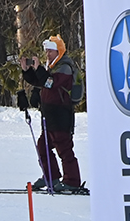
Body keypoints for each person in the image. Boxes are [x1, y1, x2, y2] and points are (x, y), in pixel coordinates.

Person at [19, 35, 83, 194]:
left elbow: (50, 83)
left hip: (61, 114)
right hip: (49, 115)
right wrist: (28, 71)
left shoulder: (64, 67)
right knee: (43, 146)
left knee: (64, 148)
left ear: (58, 51)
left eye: (51, 51)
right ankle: (51, 176)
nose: (47, 54)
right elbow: (41, 81)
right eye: (46, 51)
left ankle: (72, 181)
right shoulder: (53, 67)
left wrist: (39, 69)